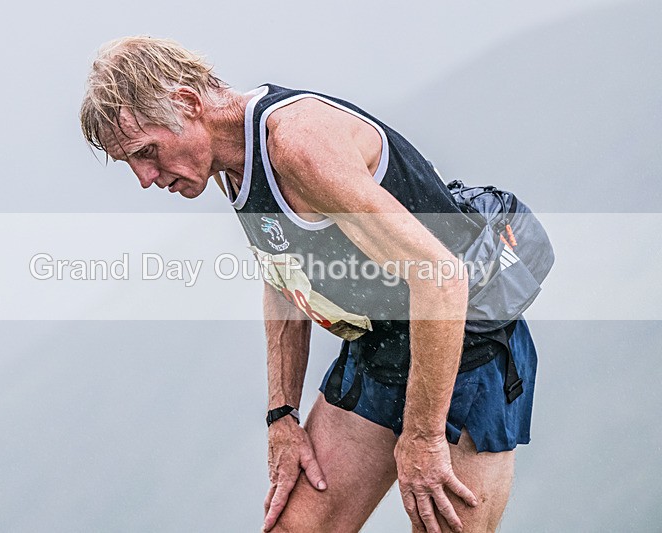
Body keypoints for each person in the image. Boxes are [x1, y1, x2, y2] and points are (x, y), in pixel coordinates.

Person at [80, 36, 538, 533]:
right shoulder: (231, 163)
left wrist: (423, 437)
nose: (145, 177)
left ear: (188, 104)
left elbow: (442, 277)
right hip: (380, 349)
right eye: (130, 163)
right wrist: (282, 415)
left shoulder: (298, 143)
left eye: (147, 152)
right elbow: (282, 275)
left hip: (464, 353)